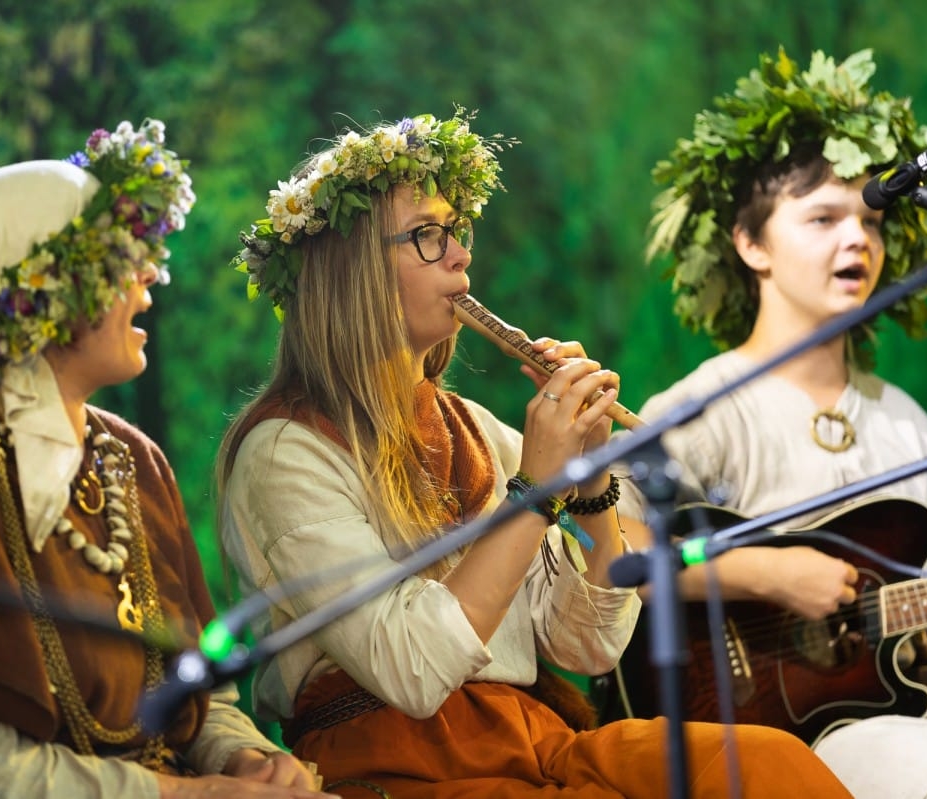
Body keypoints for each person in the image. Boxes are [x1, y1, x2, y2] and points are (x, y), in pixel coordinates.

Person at [217, 109, 853, 797]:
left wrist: (592, 476)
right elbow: (413, 670)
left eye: (457, 231)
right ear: (352, 271)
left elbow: (585, 645)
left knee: (763, 763)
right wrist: (536, 491)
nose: (460, 253)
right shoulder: (286, 450)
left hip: (534, 739)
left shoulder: (481, 429)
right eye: (426, 236)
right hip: (399, 762)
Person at [0, 119, 331, 798]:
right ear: (44, 298)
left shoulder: (132, 460)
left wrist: (245, 761)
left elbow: (204, 702)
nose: (149, 276)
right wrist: (183, 795)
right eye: (118, 262)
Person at [613, 49, 927, 798]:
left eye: (872, 221)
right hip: (798, 734)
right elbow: (616, 554)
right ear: (751, 245)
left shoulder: (908, 424)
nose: (859, 240)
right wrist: (768, 572)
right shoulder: (705, 408)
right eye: (823, 218)